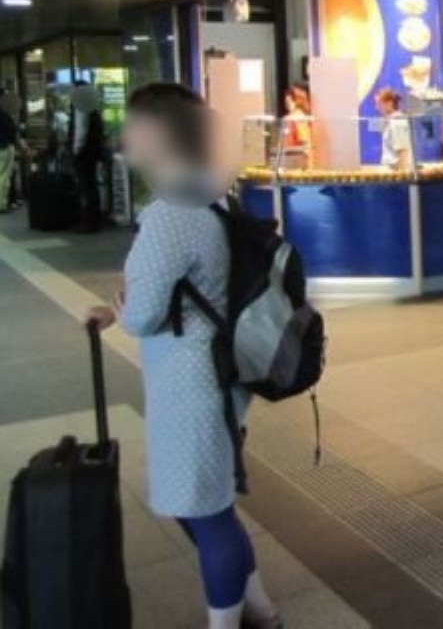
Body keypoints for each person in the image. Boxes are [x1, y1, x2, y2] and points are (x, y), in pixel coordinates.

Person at [83, 84, 280, 629]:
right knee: (206, 503)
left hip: (190, 383)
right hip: (218, 374)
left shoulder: (172, 213)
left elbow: (144, 314)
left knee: (205, 512)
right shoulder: (214, 198)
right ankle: (262, 612)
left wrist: (122, 310)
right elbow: (186, 288)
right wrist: (115, 309)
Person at [70, 81, 108, 232]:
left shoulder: (82, 107)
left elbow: (81, 131)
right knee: (91, 186)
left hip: (85, 153)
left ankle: (90, 221)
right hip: (93, 151)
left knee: (86, 186)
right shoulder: (93, 107)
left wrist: (76, 150)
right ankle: (94, 219)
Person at [375, 87, 412, 172]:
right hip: (390, 170)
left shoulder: (398, 122)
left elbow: (402, 151)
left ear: (389, 103)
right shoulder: (390, 121)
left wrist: (401, 174)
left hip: (396, 171)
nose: (377, 108)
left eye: (379, 104)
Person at [280, 85, 313, 166]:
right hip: (289, 159)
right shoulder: (290, 118)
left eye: (291, 100)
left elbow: (305, 143)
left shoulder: (298, 117)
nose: (287, 103)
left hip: (296, 162)